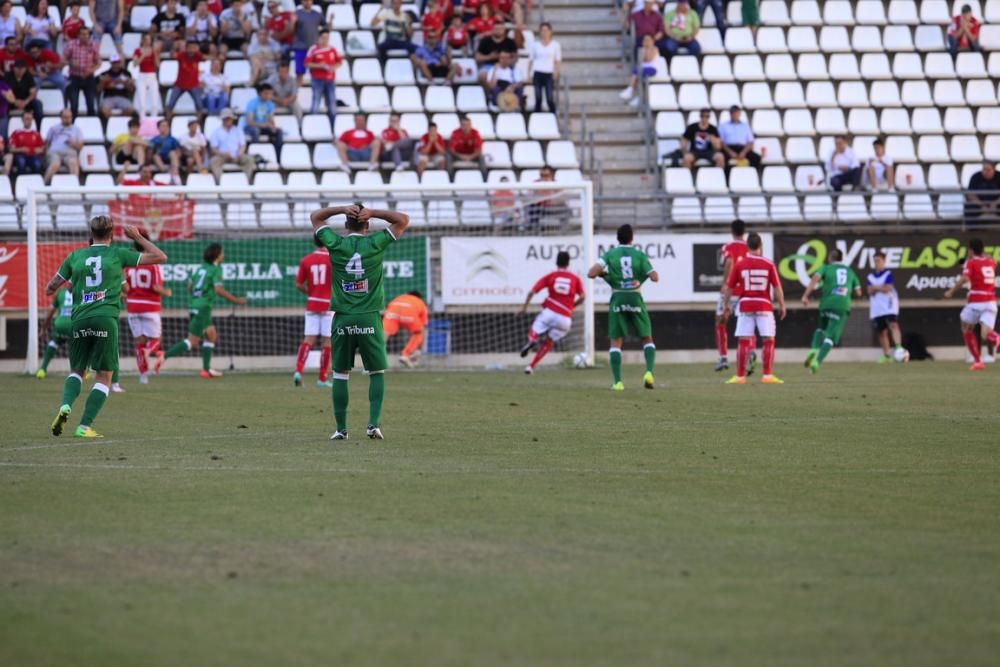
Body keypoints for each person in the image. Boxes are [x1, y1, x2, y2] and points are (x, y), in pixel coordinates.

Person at [46, 217, 167, 438]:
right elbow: (161, 256)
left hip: (79, 319)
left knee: (77, 371)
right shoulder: (118, 254)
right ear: (111, 235)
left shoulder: (75, 256)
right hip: (105, 320)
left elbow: (51, 287)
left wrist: (72, 283)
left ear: (91, 235)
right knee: (104, 376)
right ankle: (83, 427)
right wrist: (138, 237)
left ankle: (65, 405)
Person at [309, 202, 411, 441]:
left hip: (342, 318)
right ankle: (373, 425)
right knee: (376, 371)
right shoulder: (375, 242)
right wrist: (375, 212)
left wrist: (341, 208)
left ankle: (341, 429)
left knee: (341, 374)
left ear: (346, 224)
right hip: (369, 317)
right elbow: (403, 219)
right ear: (368, 224)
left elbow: (316, 217)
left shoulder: (336, 243)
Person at [155, 242, 246, 378]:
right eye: (222, 253)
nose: (223, 256)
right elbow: (219, 289)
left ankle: (206, 369)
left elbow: (190, 288)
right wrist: (237, 300)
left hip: (195, 305)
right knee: (193, 341)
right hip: (203, 308)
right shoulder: (216, 270)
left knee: (211, 335)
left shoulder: (200, 269)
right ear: (217, 256)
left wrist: (199, 296)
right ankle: (164, 355)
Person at [587, 223, 659, 391]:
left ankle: (618, 382)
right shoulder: (639, 255)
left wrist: (607, 275)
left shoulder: (610, 254)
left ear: (617, 238)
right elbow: (655, 277)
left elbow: (591, 273)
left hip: (618, 297)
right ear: (632, 238)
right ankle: (649, 372)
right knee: (647, 338)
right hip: (635, 297)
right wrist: (640, 278)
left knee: (616, 342)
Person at [721, 232, 785, 385]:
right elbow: (777, 287)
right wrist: (782, 304)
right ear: (761, 246)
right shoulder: (769, 264)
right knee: (768, 339)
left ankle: (740, 377)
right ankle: (767, 375)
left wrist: (726, 306)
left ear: (747, 247)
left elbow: (729, 288)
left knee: (743, 340)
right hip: (764, 305)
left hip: (745, 305)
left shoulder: (740, 264)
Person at [519, 250, 584, 375]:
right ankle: (531, 366)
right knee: (549, 341)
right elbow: (582, 297)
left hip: (549, 312)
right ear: (568, 264)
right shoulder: (575, 278)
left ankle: (532, 340)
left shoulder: (551, 276)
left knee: (534, 330)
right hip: (565, 319)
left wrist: (524, 307)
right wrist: (572, 306)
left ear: (556, 262)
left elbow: (531, 292)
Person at [801, 248, 862, 374]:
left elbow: (815, 279)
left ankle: (813, 349)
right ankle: (817, 361)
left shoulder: (826, 268)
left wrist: (806, 295)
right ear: (841, 259)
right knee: (831, 337)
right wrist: (848, 293)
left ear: (830, 258)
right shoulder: (850, 272)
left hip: (826, 303)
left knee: (820, 327)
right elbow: (858, 292)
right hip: (842, 306)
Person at [123, 230, 172, 385]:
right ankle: (149, 351)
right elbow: (156, 287)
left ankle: (143, 376)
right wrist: (167, 292)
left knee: (139, 342)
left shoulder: (129, 264)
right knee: (156, 340)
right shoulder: (153, 263)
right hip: (150, 306)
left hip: (132, 306)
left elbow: (125, 287)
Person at [944, 238, 1000, 372]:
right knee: (986, 335)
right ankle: (998, 339)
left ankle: (978, 361)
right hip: (991, 302)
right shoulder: (990, 261)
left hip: (977, 301)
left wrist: (951, 291)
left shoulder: (971, 262)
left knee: (965, 327)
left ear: (971, 250)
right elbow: (994, 262)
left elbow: (965, 278)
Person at [713, 219, 754, 373]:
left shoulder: (728, 247)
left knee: (721, 321)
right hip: (746, 291)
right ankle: (751, 352)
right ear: (744, 231)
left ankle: (723, 358)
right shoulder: (750, 248)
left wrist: (725, 283)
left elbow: (729, 262)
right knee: (747, 323)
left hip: (731, 291)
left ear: (732, 231)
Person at [293, 237, 333, 387]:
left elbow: (298, 284)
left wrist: (311, 292)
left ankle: (298, 371)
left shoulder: (306, 260)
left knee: (308, 340)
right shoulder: (333, 260)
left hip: (312, 304)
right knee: (327, 341)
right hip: (328, 305)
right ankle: (322, 378)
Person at [867, 251, 903, 364]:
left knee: (893, 325)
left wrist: (876, 287)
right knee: (882, 332)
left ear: (884, 261)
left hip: (889, 306)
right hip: (877, 308)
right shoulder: (871, 276)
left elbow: (887, 288)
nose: (877, 263)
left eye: (879, 260)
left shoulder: (888, 274)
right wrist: (879, 287)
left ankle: (899, 349)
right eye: (875, 261)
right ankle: (887, 355)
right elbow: (869, 291)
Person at [36, 282, 74, 379]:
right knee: (85, 344)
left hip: (60, 325)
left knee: (54, 342)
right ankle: (84, 371)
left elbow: (49, 314)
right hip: (74, 325)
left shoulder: (60, 294)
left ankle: (42, 370)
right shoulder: (83, 293)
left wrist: (43, 329)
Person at [304, 29, 341, 126]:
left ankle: (333, 126)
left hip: (330, 80)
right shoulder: (313, 49)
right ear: (319, 38)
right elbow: (307, 64)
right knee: (316, 102)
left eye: (327, 38)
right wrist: (320, 66)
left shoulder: (332, 49)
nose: (325, 40)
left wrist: (333, 68)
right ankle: (312, 125)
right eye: (323, 38)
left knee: (332, 104)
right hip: (317, 79)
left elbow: (339, 62)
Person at [383, 291, 429, 369]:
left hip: (393, 310)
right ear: (420, 297)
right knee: (419, 332)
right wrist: (419, 349)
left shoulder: (400, 297)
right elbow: (423, 327)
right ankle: (405, 355)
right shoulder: (421, 302)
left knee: (384, 334)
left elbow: (387, 307)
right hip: (409, 312)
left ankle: (373, 361)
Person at [209, 107, 255, 181]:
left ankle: (247, 181)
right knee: (214, 161)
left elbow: (243, 145)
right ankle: (219, 183)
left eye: (229, 119)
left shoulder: (238, 130)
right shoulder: (216, 132)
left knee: (249, 160)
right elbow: (213, 149)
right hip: (222, 156)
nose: (228, 120)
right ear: (223, 120)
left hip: (237, 155)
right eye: (226, 119)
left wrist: (240, 154)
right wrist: (223, 154)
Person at [242, 83, 283, 155]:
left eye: (270, 94)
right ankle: (255, 154)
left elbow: (271, 119)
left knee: (278, 131)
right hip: (250, 128)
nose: (268, 96)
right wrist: (265, 125)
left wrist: (273, 126)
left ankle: (277, 154)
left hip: (263, 127)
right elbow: (250, 123)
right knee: (256, 131)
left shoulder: (270, 104)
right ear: (259, 93)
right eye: (266, 93)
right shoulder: (252, 103)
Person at [528, 22, 560, 113]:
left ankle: (553, 115)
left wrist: (557, 71)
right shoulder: (535, 45)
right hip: (538, 71)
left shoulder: (555, 45)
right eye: (542, 30)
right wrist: (529, 73)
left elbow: (557, 60)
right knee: (538, 98)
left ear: (550, 32)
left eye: (546, 30)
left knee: (549, 97)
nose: (544, 32)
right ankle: (537, 117)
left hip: (548, 72)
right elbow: (531, 60)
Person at [44, 108, 82, 183]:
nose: (67, 119)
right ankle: (44, 184)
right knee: (55, 164)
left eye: (69, 117)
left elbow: (80, 146)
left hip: (70, 153)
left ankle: (74, 188)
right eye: (65, 117)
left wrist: (74, 144)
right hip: (55, 152)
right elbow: (47, 142)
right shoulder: (53, 128)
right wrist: (45, 153)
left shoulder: (77, 130)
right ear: (61, 118)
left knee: (73, 163)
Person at [166, 40, 205, 114]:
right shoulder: (181, 55)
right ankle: (167, 122)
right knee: (170, 105)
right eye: (190, 48)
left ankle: (198, 123)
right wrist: (174, 47)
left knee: (199, 106)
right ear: (186, 48)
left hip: (193, 85)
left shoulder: (197, 56)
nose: (191, 50)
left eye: (193, 48)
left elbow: (205, 57)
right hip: (179, 85)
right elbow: (172, 55)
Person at [619, 34, 658, 106]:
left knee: (636, 71)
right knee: (636, 75)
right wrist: (644, 50)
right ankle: (637, 96)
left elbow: (648, 59)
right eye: (645, 40)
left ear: (652, 41)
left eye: (648, 40)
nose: (646, 42)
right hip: (642, 69)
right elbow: (641, 60)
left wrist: (647, 49)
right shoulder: (641, 49)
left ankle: (630, 90)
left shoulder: (655, 49)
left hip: (652, 69)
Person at [719, 105, 760, 170]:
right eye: (733, 113)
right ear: (730, 114)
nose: (735, 114)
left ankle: (751, 176)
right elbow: (721, 142)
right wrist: (730, 152)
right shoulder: (723, 126)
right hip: (728, 148)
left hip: (742, 148)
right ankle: (727, 178)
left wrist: (744, 152)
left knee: (756, 158)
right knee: (722, 158)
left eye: (736, 113)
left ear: (739, 113)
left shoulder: (745, 126)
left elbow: (750, 142)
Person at [292, 0, 323, 85]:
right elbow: (291, 30)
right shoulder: (296, 14)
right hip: (300, 47)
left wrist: (331, 21)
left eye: (309, 0)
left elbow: (325, 29)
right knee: (299, 73)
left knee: (317, 73)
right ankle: (296, 95)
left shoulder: (317, 14)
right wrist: (292, 22)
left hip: (313, 49)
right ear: (302, 2)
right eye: (305, 1)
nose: (307, 2)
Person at [97, 54, 135, 120]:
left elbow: (131, 89)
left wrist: (124, 83)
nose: (116, 64)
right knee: (104, 110)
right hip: (109, 97)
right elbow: (98, 90)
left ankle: (119, 120)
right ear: (111, 63)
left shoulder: (126, 73)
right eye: (114, 62)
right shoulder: (105, 74)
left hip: (123, 97)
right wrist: (103, 82)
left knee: (130, 110)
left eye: (117, 62)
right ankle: (112, 123)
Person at [133, 33, 162, 118]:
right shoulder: (137, 51)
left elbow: (158, 65)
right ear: (142, 40)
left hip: (152, 76)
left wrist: (156, 53)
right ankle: (142, 119)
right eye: (145, 39)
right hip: (142, 76)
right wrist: (143, 55)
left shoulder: (154, 51)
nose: (147, 41)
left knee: (155, 103)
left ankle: (154, 119)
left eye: (149, 39)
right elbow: (135, 64)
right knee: (142, 103)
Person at [6, 58, 43, 124]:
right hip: (11, 101)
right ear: (14, 68)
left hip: (25, 101)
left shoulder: (28, 76)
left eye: (22, 68)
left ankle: (38, 127)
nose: (20, 70)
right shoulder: (8, 76)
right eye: (18, 68)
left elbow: (33, 92)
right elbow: (5, 92)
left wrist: (26, 102)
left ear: (25, 69)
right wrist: (15, 102)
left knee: (38, 104)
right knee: (3, 105)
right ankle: (4, 128)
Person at [8, 110, 44, 175]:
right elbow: (11, 149)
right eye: (26, 119)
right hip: (20, 155)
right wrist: (21, 149)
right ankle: (21, 182)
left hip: (33, 156)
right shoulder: (16, 133)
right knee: (21, 162)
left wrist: (40, 150)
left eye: (30, 119)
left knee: (37, 164)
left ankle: (34, 182)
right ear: (22, 120)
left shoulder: (36, 134)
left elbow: (42, 149)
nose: (28, 121)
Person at [150, 119, 182, 184]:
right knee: (156, 156)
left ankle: (175, 174)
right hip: (158, 159)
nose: (165, 128)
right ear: (158, 128)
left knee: (172, 153)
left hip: (170, 159)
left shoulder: (172, 139)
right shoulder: (154, 140)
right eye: (163, 126)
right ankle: (166, 172)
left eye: (167, 126)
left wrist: (177, 156)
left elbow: (178, 151)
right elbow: (151, 152)